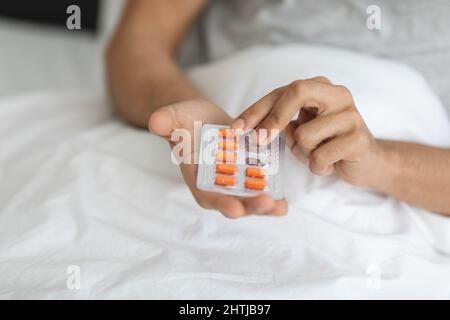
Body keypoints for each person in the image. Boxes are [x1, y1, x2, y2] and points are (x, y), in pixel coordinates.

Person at [106, 0, 450, 218]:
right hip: (187, 148)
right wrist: (184, 114)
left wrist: (381, 161)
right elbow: (137, 43)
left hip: (391, 204)